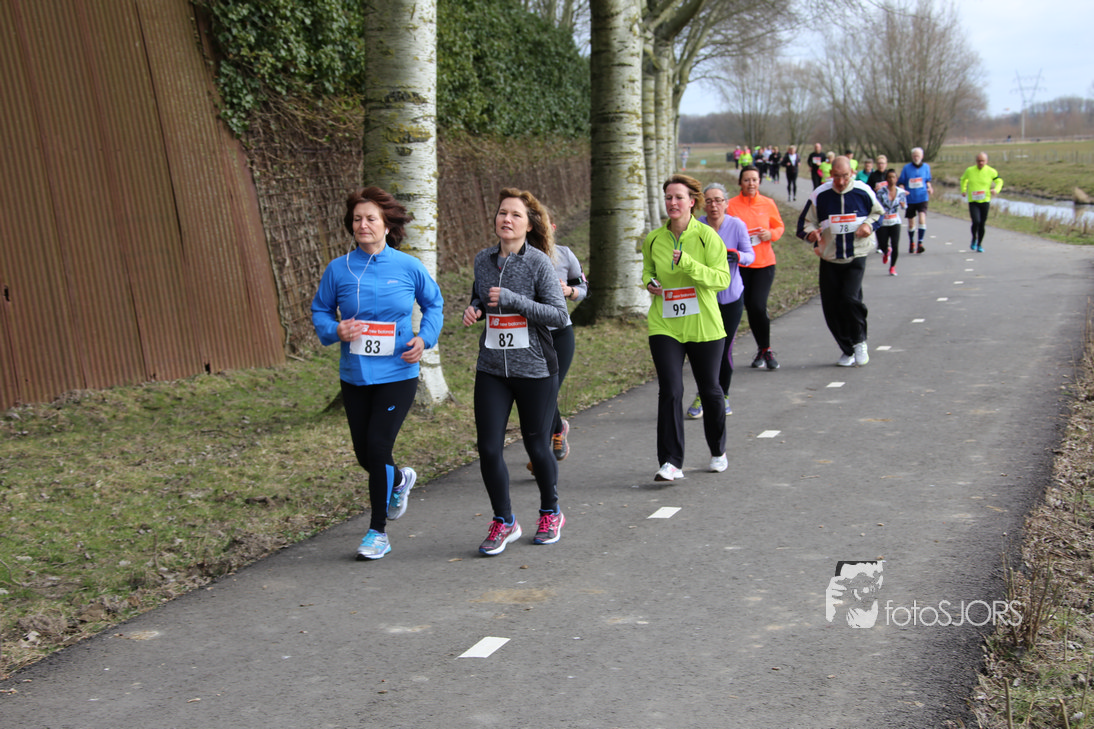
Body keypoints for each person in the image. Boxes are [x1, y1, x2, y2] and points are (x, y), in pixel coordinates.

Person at [311, 187, 445, 560]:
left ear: (387, 225)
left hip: (398, 372)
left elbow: (434, 304)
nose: (363, 225)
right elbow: (321, 310)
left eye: (371, 218)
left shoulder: (408, 266)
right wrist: (335, 329)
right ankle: (399, 479)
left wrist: (424, 338)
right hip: (355, 375)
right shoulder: (339, 269)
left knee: (378, 446)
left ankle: (378, 532)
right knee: (365, 454)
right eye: (357, 219)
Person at [462, 188, 570, 556]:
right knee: (488, 447)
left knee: (536, 445)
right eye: (502, 213)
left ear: (529, 225)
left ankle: (550, 512)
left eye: (515, 215)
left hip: (535, 369)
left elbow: (559, 315)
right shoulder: (482, 260)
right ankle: (504, 520)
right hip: (492, 367)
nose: (506, 219)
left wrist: (514, 301)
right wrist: (475, 309)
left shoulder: (538, 263)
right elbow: (479, 296)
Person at [642, 174, 732, 481]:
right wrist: (649, 282)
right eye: (668, 197)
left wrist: (689, 264)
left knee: (710, 390)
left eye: (679, 197)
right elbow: (648, 270)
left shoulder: (708, 237)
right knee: (671, 390)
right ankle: (670, 462)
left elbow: (722, 279)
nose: (673, 203)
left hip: (703, 325)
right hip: (665, 324)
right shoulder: (654, 239)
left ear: (692, 202)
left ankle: (718, 451)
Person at [796, 157, 882, 367]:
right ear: (830, 174)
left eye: (845, 176)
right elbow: (804, 224)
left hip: (856, 254)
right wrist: (811, 234)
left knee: (850, 298)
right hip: (830, 256)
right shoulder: (820, 195)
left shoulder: (863, 191)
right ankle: (847, 348)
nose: (841, 182)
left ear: (852, 173)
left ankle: (859, 341)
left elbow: (879, 214)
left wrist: (868, 226)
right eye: (836, 177)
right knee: (831, 307)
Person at [686, 182, 755, 420]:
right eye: (709, 201)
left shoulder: (737, 225)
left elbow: (750, 255)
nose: (714, 205)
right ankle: (703, 394)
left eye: (718, 200)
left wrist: (737, 255)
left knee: (724, 349)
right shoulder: (697, 226)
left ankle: (722, 395)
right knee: (702, 349)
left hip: (731, 297)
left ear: (726, 203)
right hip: (704, 298)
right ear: (703, 204)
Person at [727, 165, 785, 371]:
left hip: (763, 263)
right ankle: (756, 350)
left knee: (758, 305)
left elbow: (779, 226)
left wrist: (771, 234)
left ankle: (766, 350)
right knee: (748, 307)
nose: (751, 183)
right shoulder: (731, 205)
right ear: (740, 183)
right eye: (746, 180)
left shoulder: (767, 203)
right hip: (740, 264)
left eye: (754, 179)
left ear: (759, 182)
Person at [959, 153, 1004, 252]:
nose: (981, 163)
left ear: (986, 161)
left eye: (983, 161)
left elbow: (999, 181)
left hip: (985, 200)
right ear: (976, 161)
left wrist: (996, 190)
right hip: (973, 201)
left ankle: (979, 244)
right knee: (976, 221)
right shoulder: (970, 170)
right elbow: (963, 179)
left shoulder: (991, 171)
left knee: (982, 223)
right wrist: (963, 190)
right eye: (979, 161)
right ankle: (974, 238)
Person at [897, 147, 933, 254]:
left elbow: (927, 180)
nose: (916, 158)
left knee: (922, 219)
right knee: (911, 224)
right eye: (914, 156)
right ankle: (912, 241)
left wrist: (930, 188)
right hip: (910, 199)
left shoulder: (926, 167)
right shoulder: (906, 168)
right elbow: (901, 182)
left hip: (922, 197)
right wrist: (903, 189)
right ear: (912, 157)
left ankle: (920, 243)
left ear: (922, 156)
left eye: (918, 156)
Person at [875, 168, 908, 276]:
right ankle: (886, 251)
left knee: (895, 244)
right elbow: (876, 205)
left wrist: (903, 205)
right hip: (883, 222)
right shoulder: (881, 192)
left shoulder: (901, 192)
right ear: (886, 179)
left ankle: (892, 267)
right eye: (889, 177)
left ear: (896, 179)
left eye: (893, 177)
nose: (891, 179)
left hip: (895, 221)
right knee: (882, 243)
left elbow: (904, 206)